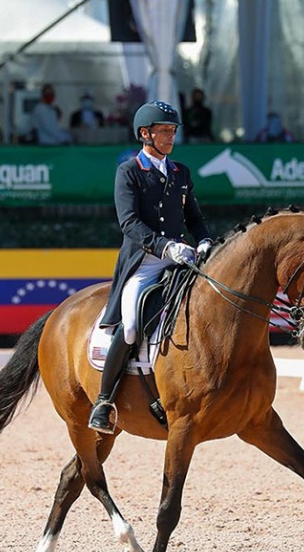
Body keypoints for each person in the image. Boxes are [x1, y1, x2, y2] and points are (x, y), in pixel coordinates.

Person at [88, 100, 213, 434]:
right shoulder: (129, 172)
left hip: (181, 259)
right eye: (164, 131)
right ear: (146, 134)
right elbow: (129, 222)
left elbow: (195, 217)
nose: (170, 137)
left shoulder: (180, 172)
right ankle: (104, 400)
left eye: (173, 131)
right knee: (130, 328)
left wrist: (203, 240)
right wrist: (165, 246)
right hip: (144, 263)